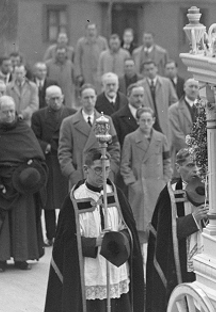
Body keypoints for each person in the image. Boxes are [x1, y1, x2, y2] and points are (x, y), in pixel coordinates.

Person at [37, 147, 144, 312]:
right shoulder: (75, 199)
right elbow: (65, 242)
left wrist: (119, 238)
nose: (102, 174)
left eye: (106, 169)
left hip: (114, 272)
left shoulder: (115, 193)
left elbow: (128, 229)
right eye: (97, 169)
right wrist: (93, 243)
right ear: (85, 170)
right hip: (90, 275)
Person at [140, 148, 208, 312]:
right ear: (178, 168)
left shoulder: (209, 187)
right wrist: (193, 219)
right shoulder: (169, 194)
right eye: (189, 165)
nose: (195, 170)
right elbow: (165, 234)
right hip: (180, 264)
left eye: (197, 164)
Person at [0, 96, 46, 272]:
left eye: (12, 111)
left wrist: (30, 171)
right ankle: (1, 259)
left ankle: (22, 258)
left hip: (22, 183)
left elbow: (37, 155)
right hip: (1, 182)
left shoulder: (23, 129)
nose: (9, 115)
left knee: (23, 219)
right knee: (2, 222)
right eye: (5, 112)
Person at [120, 107, 172, 246]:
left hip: (157, 187)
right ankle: (141, 254)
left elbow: (167, 161)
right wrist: (133, 183)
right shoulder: (130, 138)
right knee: (140, 225)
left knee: (157, 223)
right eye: (143, 120)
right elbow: (124, 164)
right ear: (137, 121)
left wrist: (165, 180)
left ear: (154, 120)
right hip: (139, 189)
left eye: (149, 120)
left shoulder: (161, 138)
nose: (146, 123)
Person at [31, 86, 77, 246]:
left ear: (63, 97)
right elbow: (34, 137)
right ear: (46, 100)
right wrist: (46, 146)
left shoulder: (72, 113)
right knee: (49, 201)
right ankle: (51, 235)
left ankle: (68, 233)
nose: (56, 101)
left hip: (67, 160)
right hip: (49, 161)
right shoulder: (38, 116)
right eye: (52, 99)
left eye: (58, 98)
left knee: (68, 199)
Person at [59, 85, 121, 189]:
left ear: (96, 97)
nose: (90, 101)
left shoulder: (106, 120)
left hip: (102, 175)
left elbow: (114, 148)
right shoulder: (68, 123)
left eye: (92, 97)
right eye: (86, 98)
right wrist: (72, 173)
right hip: (80, 176)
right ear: (80, 99)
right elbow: (64, 152)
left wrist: (111, 170)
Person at [135, 60, 177, 147]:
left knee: (166, 144)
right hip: (148, 119)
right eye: (147, 70)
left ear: (156, 69)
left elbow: (174, 101)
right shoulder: (139, 85)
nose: (150, 71)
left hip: (164, 119)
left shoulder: (166, 82)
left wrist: (168, 113)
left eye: (151, 69)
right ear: (144, 71)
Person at [168, 77, 200, 157]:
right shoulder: (174, 109)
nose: (193, 89)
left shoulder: (204, 108)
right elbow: (175, 134)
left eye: (196, 87)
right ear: (184, 88)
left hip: (201, 153)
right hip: (182, 154)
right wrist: (190, 149)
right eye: (191, 86)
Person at [74, 22, 108, 89]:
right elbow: (77, 59)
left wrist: (106, 72)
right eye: (89, 30)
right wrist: (79, 74)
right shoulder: (81, 42)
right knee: (88, 90)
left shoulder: (103, 41)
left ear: (96, 31)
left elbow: (107, 57)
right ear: (86, 31)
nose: (91, 32)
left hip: (99, 72)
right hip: (86, 73)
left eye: (93, 29)